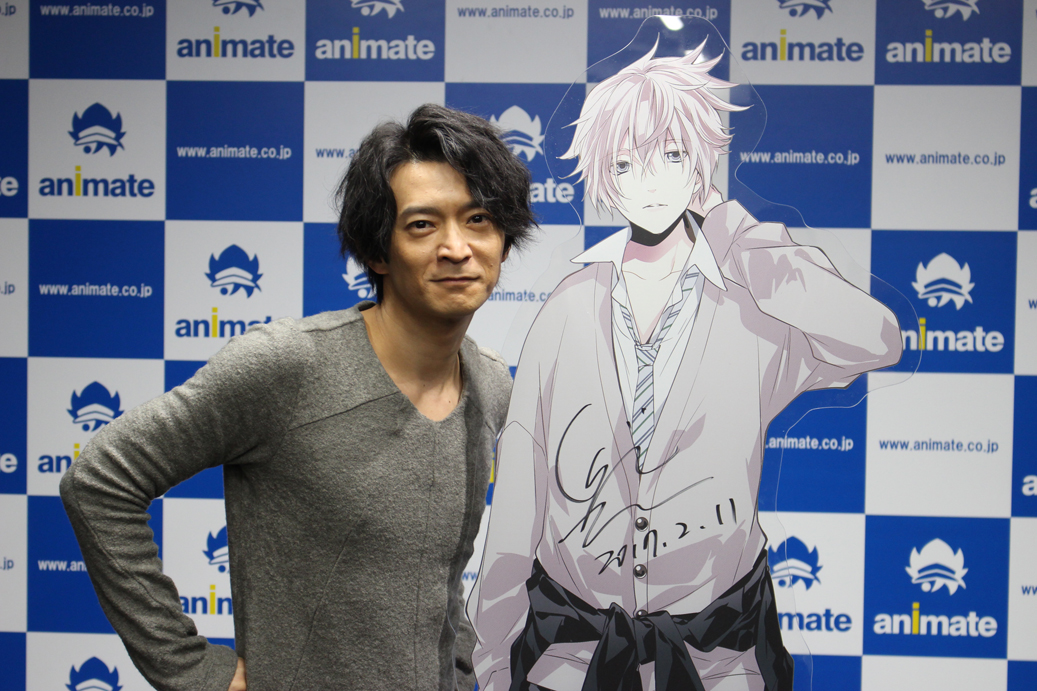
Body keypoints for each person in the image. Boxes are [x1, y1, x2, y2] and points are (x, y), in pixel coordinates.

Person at [468, 42, 903, 691]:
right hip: (572, 660)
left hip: (721, 660)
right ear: (604, 173)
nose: (647, 182)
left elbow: (875, 339)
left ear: (702, 161)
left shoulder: (753, 308)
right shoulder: (566, 308)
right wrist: (494, 654)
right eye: (625, 163)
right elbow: (521, 494)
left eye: (670, 156)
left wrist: (744, 242)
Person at [59, 103, 536, 691]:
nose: (456, 247)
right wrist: (192, 671)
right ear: (377, 252)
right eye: (422, 225)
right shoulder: (289, 366)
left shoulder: (491, 385)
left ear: (503, 242)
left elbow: (438, 577)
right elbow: (99, 481)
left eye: (479, 219)